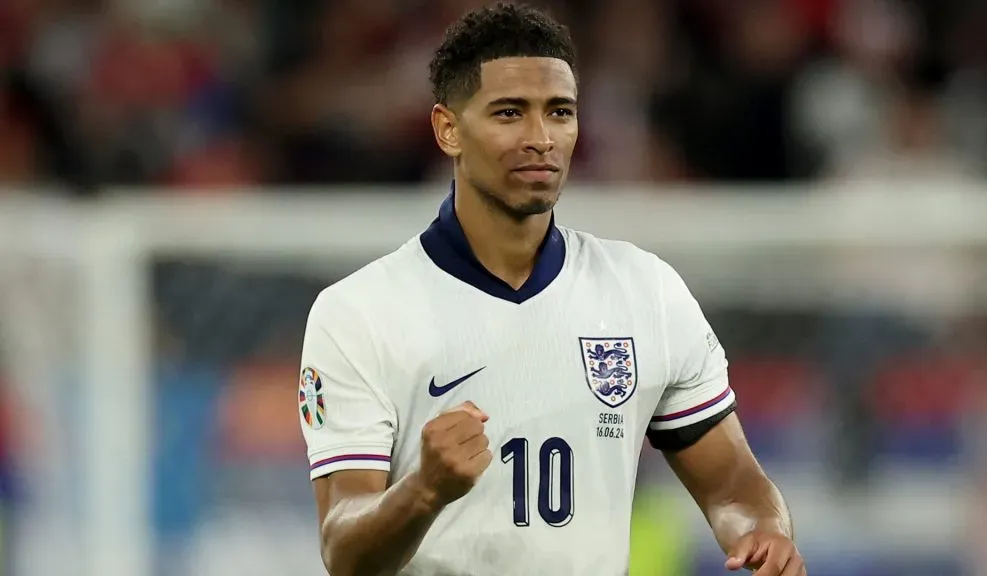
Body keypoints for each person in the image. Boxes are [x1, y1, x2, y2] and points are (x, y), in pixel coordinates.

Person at [298, 3, 803, 575]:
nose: (540, 138)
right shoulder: (359, 312)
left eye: (559, 112)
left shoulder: (647, 292)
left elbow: (734, 485)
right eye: (509, 113)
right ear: (448, 129)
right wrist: (424, 491)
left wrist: (764, 532)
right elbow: (344, 551)